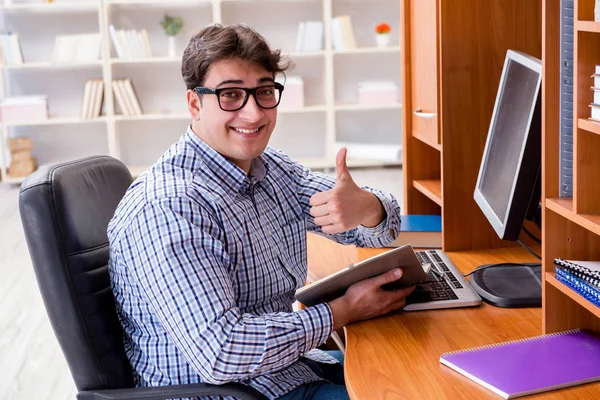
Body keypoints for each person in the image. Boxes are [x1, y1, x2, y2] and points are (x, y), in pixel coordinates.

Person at [107, 24, 414, 400]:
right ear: (194, 104)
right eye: (231, 95)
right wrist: (343, 310)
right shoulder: (169, 207)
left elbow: (378, 231)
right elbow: (222, 353)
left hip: (285, 371)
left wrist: (369, 207)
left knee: (422, 373)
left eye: (264, 92)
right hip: (231, 392)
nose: (253, 113)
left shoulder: (271, 169)